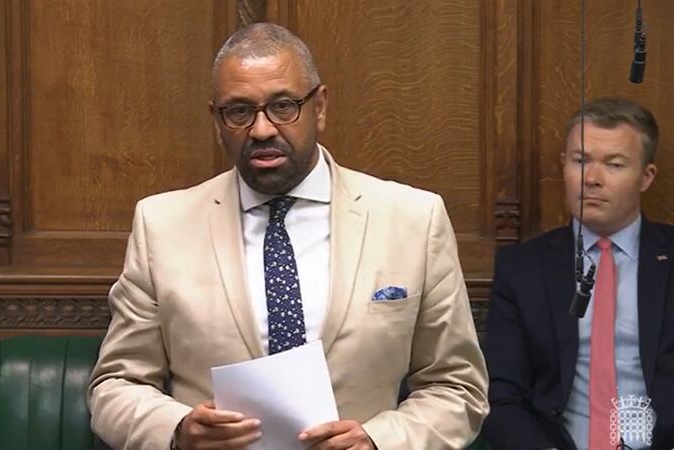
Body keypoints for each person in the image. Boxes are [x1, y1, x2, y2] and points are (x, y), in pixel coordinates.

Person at [88, 22, 487, 450]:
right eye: (239, 111)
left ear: (320, 106)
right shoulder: (162, 225)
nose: (261, 130)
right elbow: (114, 386)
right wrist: (177, 429)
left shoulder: (413, 219)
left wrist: (378, 441)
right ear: (217, 121)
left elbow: (457, 387)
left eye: (283, 106)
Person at [482, 97, 674, 449]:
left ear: (646, 177)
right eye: (580, 160)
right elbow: (501, 394)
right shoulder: (523, 269)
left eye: (614, 165)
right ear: (564, 166)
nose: (592, 179)